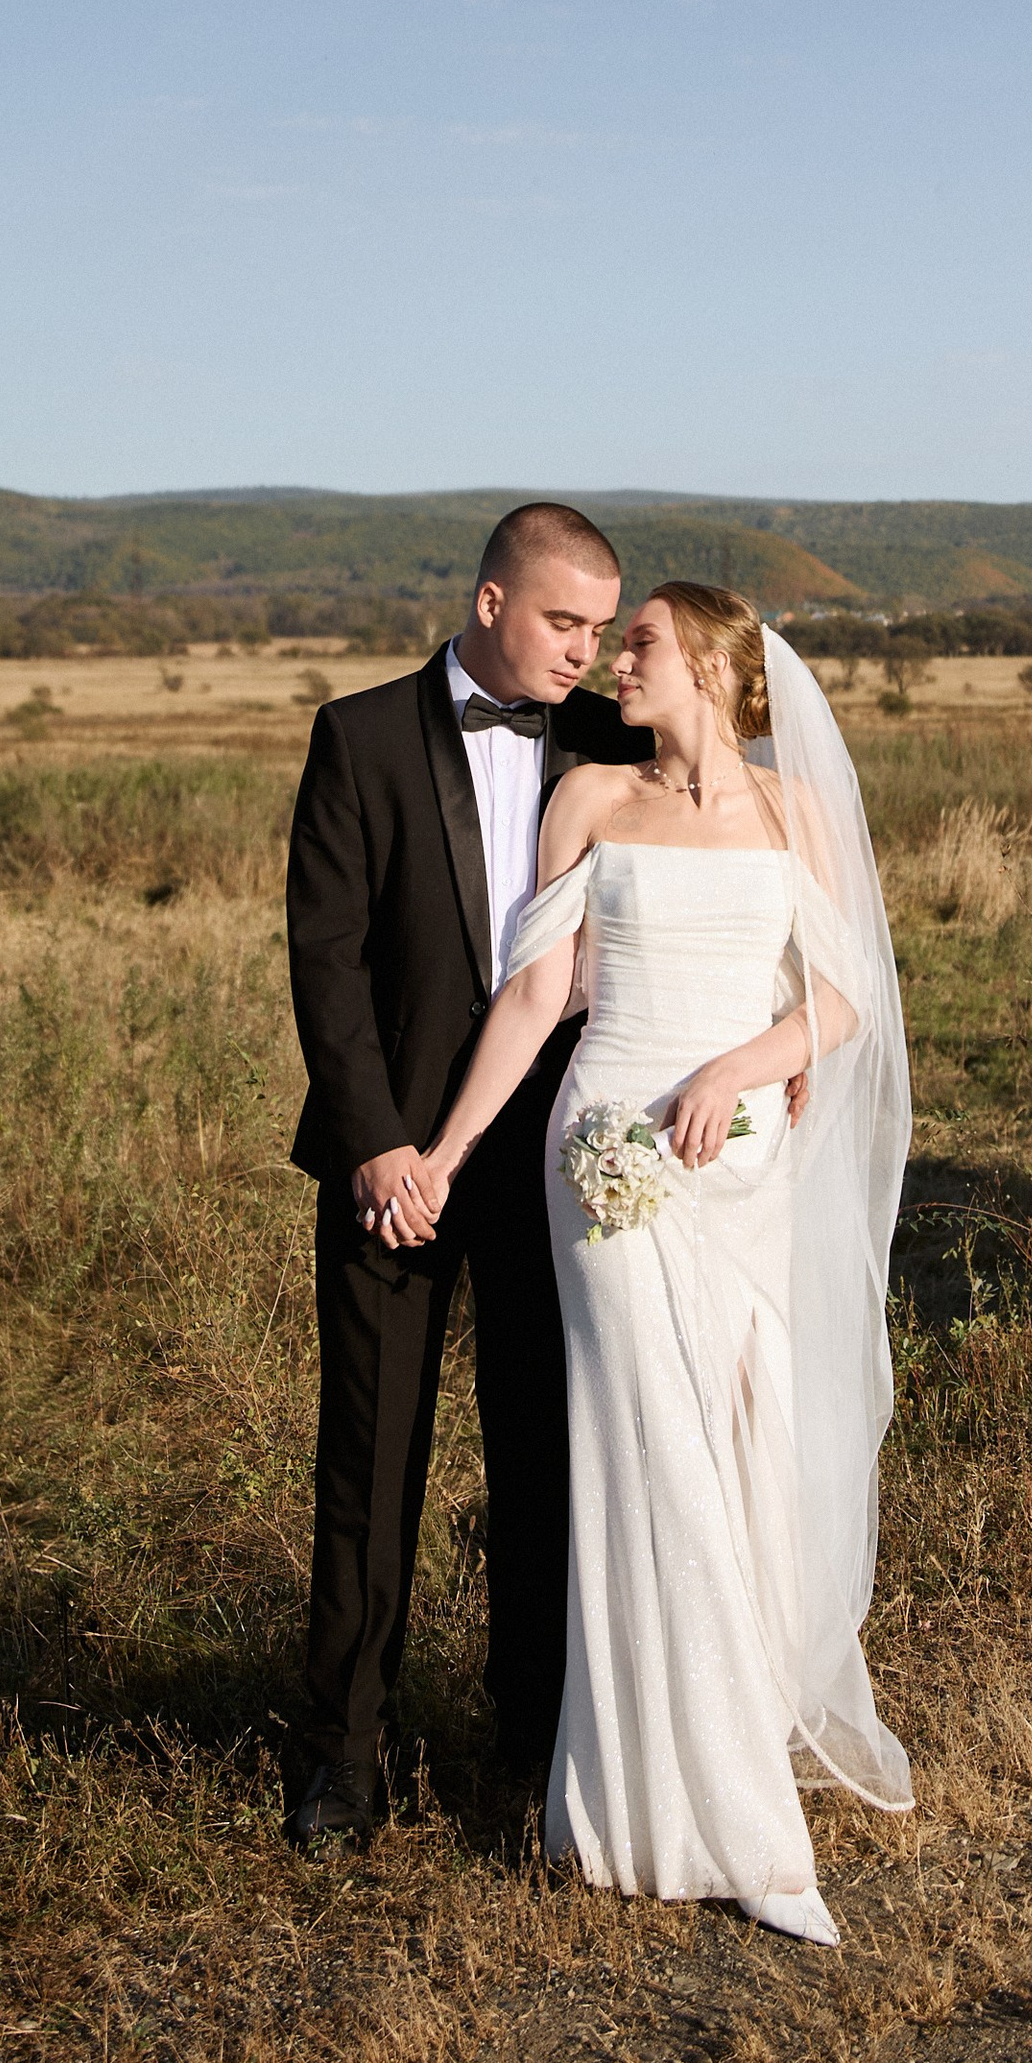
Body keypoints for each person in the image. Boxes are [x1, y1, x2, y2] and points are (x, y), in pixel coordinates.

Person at [398, 580, 913, 1940]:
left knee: (737, 1450)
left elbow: (848, 995)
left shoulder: (792, 814)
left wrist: (751, 1059)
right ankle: (744, 1834)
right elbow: (535, 997)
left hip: (737, 1161)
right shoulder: (589, 804)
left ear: (713, 669)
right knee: (653, 1459)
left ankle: (633, 1808)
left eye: (639, 645)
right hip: (607, 1156)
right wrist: (447, 1155)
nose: (613, 660)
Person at [282, 502, 650, 1850]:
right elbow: (325, 960)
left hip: (559, 1154)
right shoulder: (362, 738)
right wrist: (380, 1140)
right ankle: (340, 1763)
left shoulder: (613, 743)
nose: (585, 652)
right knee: (370, 1463)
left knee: (549, 1450)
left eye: (604, 631)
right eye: (565, 623)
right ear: (490, 603)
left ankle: (536, 1733)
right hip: (394, 1158)